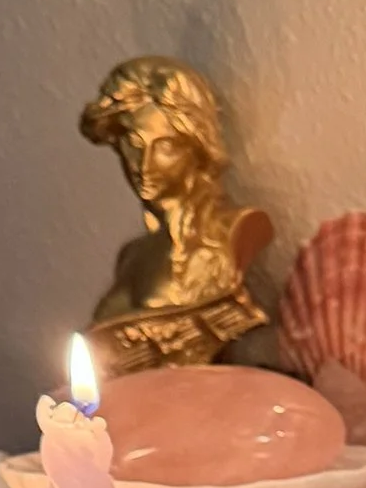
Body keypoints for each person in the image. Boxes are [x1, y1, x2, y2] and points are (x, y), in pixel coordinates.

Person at [80, 57, 272, 371]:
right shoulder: (133, 255)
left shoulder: (232, 231)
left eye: (166, 146)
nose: (144, 164)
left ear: (196, 148)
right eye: (134, 143)